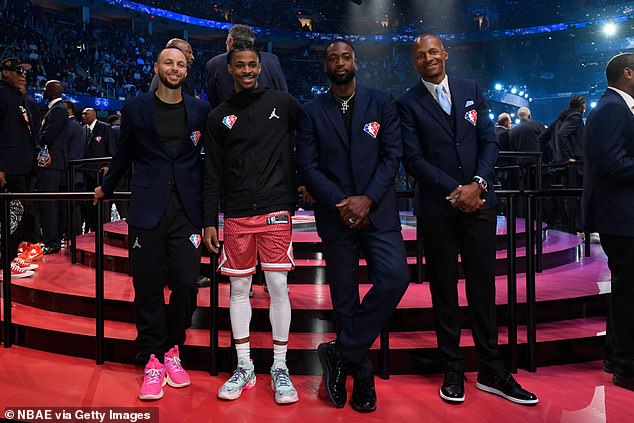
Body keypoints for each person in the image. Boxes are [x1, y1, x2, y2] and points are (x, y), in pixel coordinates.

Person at [397, 34, 538, 405]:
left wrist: (478, 183)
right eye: (420, 54)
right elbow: (412, 159)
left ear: (444, 54)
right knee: (444, 291)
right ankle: (453, 367)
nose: (428, 58)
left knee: (483, 290)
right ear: (414, 62)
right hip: (439, 209)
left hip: (480, 204)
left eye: (433, 51)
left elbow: (489, 140)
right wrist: (457, 191)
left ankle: (493, 369)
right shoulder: (406, 102)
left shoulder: (471, 87)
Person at [296, 39, 409, 413]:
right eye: (332, 58)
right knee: (345, 299)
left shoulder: (382, 102)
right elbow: (308, 166)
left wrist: (367, 199)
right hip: (335, 214)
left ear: (355, 62)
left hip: (377, 212)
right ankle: (362, 378)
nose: (340, 62)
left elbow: (393, 155)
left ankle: (340, 351)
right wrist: (341, 201)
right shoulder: (312, 111)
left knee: (395, 278)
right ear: (325, 66)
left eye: (345, 56)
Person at [94, 46, 211, 400]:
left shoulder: (200, 110)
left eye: (180, 64)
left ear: (186, 70)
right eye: (168, 63)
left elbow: (207, 165)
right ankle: (152, 358)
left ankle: (172, 346)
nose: (174, 69)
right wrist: (107, 187)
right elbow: (125, 151)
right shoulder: (135, 107)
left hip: (186, 211)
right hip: (147, 209)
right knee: (146, 287)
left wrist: (209, 217)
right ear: (157, 67)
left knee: (188, 283)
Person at [203, 45, 300, 405]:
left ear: (260, 66)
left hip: (276, 211)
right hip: (238, 214)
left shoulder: (284, 103)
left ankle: (280, 366)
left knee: (277, 286)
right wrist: (209, 219)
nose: (247, 70)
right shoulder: (218, 116)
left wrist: (300, 182)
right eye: (240, 65)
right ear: (229, 69)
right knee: (239, 290)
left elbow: (307, 142)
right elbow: (211, 171)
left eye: (252, 64)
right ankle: (244, 366)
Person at [582, 52, 634, 392]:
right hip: (621, 217)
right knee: (629, 293)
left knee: (626, 291)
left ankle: (616, 358)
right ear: (628, 73)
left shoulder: (613, 106)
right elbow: (612, 164)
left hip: (622, 215)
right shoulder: (613, 108)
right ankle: (627, 368)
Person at [0, 57, 41, 276]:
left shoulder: (19, 98)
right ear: (5, 72)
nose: (23, 75)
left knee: (18, 216)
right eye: (18, 71)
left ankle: (11, 258)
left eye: (25, 72)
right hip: (9, 168)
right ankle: (4, 264)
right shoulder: (2, 94)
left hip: (23, 168)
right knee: (11, 217)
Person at [205, 24, 288, 109]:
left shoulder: (214, 64)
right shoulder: (271, 60)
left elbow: (213, 103)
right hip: (269, 116)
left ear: (230, 41)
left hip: (229, 118)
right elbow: (283, 92)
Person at [36, 80, 69, 254]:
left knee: (48, 203)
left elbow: (47, 136)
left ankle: (52, 241)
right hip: (51, 162)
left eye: (46, 88)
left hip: (51, 162)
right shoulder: (55, 109)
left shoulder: (58, 110)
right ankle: (50, 239)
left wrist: (38, 140)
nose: (43, 90)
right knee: (47, 203)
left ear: (53, 91)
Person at [81, 107, 113, 232]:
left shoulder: (104, 127)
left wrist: (108, 165)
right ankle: (91, 228)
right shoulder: (83, 130)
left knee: (102, 202)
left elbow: (112, 148)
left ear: (93, 115)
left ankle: (104, 229)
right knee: (89, 202)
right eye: (83, 114)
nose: (83, 116)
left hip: (101, 172)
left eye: (86, 114)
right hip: (86, 172)